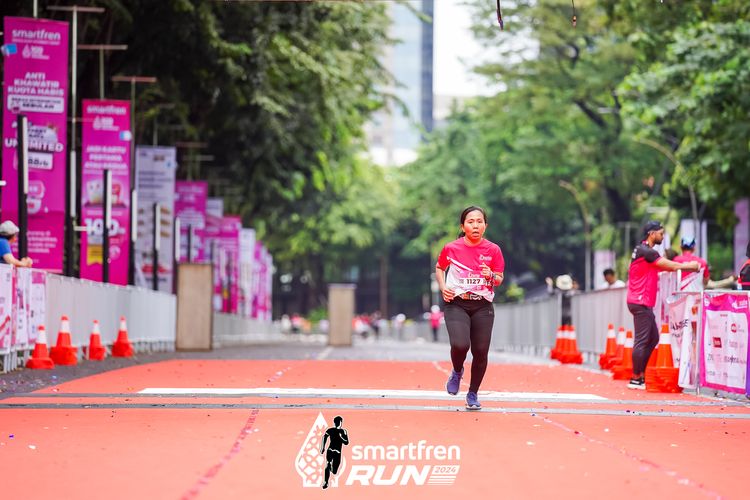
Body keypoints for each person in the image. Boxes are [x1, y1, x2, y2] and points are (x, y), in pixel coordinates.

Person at [436, 206, 504, 410]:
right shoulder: (451, 248)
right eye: (471, 222)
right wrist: (443, 287)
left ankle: (473, 393)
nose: (475, 225)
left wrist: (490, 275)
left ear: (485, 226)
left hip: (482, 305)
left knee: (480, 351)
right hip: (457, 303)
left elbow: (499, 278)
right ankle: (457, 371)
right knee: (460, 345)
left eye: (479, 222)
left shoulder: (493, 250)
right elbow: (440, 268)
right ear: (463, 226)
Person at [626, 221, 700, 390]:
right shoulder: (647, 251)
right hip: (640, 301)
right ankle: (636, 378)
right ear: (651, 234)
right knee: (642, 340)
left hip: (641, 301)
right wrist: (689, 266)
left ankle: (640, 375)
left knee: (653, 338)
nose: (662, 236)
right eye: (660, 233)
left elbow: (661, 266)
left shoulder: (643, 251)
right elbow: (671, 265)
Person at [320, 415, 349, 489]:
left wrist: (341, 437)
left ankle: (330, 469)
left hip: (336, 452)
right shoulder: (331, 430)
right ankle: (326, 482)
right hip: (332, 451)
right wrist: (322, 447)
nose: (338, 423)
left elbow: (346, 442)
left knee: (334, 471)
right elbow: (324, 437)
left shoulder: (343, 431)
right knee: (328, 464)